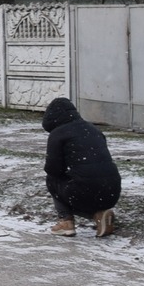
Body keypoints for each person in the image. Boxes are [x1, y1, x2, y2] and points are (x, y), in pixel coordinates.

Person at [41, 97, 121, 236]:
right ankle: (100, 215)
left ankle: (65, 222)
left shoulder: (58, 134)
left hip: (85, 189)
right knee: (87, 185)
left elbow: (53, 169)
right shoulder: (93, 129)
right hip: (112, 190)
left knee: (52, 180)